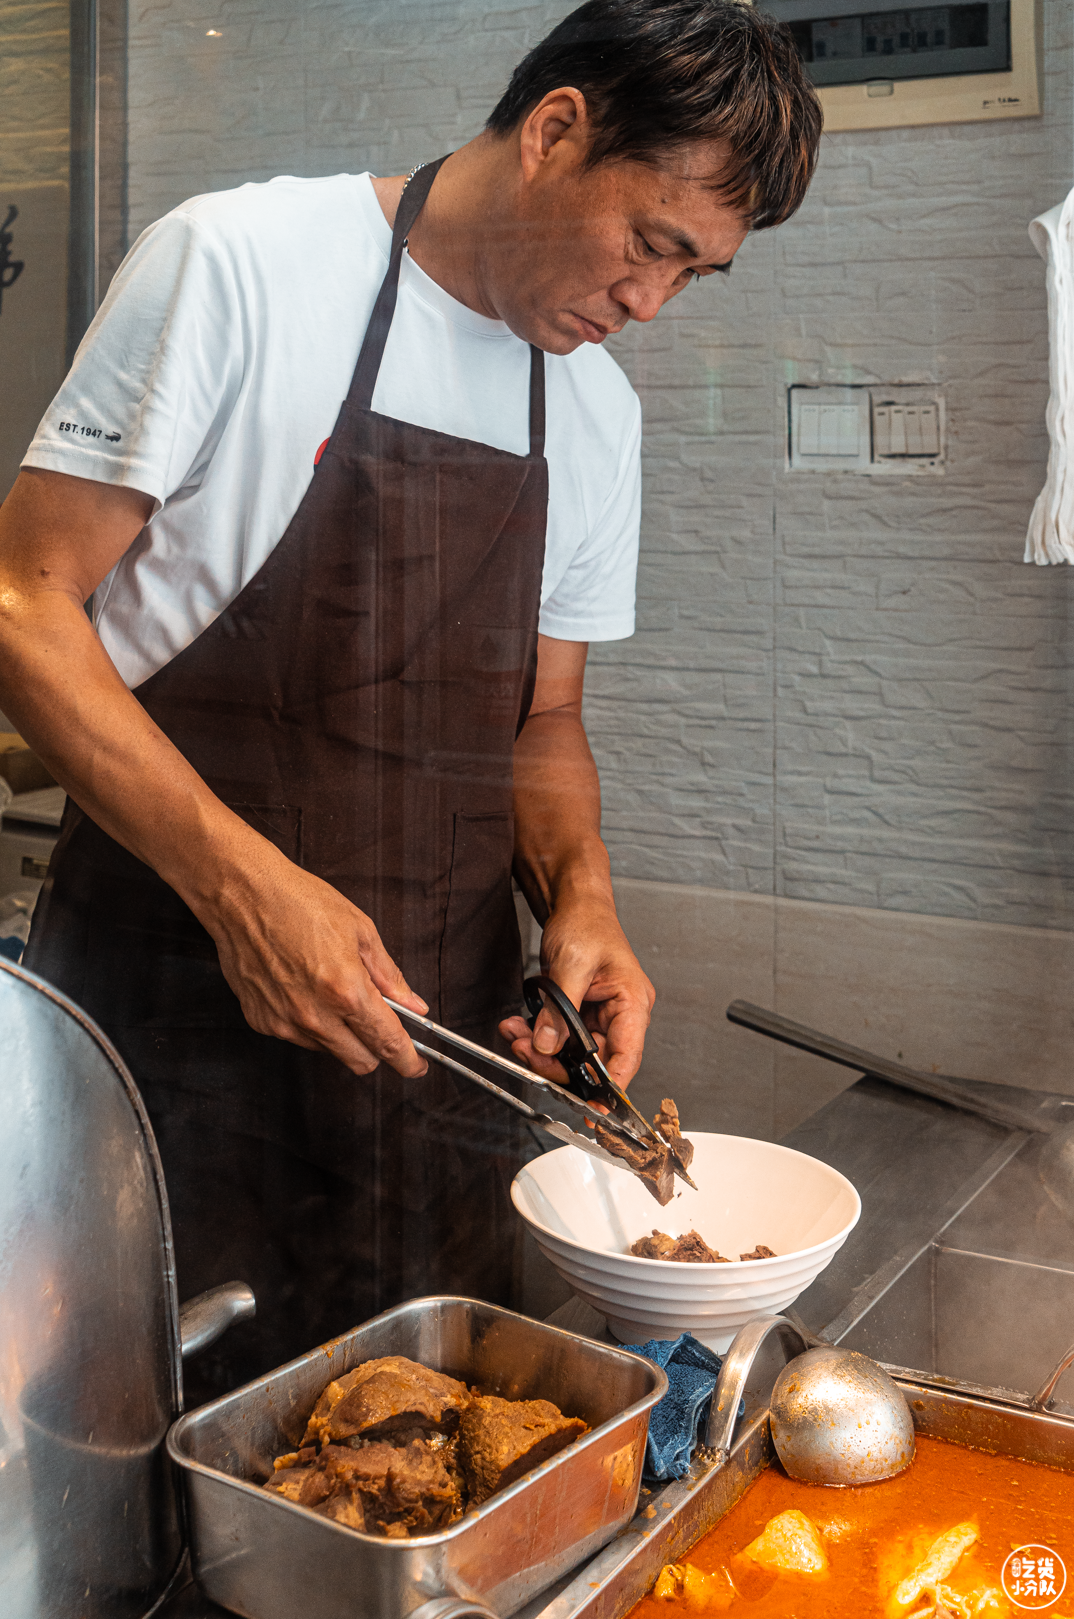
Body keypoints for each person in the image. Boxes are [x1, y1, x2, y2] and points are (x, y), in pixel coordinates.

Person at [0, 0, 820, 1396]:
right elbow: (26, 605)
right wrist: (246, 891)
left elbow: (544, 720)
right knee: (129, 1449)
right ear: (555, 130)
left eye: (695, 275)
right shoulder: (241, 265)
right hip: (160, 1031)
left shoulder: (594, 413)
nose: (649, 304)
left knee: (421, 1453)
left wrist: (582, 897)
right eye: (651, 243)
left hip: (433, 1070)